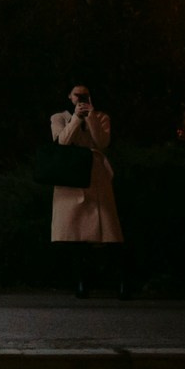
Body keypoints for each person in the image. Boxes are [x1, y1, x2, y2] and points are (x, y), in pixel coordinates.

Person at [49, 83, 124, 297]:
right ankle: (81, 283)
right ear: (69, 97)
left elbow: (102, 142)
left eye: (85, 94)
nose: (81, 98)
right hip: (70, 175)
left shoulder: (101, 117)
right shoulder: (59, 117)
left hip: (95, 175)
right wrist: (76, 118)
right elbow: (62, 141)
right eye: (77, 94)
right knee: (75, 233)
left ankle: (119, 280)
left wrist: (90, 117)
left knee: (108, 230)